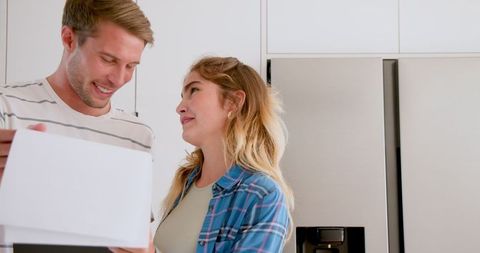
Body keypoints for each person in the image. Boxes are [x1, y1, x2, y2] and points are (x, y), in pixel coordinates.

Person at [0, 0, 154, 251]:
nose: (118, 79)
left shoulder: (137, 135)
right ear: (69, 39)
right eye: (108, 59)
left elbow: (136, 240)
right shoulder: (7, 107)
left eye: (131, 66)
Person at [111, 56, 294, 253]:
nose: (179, 107)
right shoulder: (187, 182)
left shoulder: (262, 194)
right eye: (182, 95)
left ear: (233, 102)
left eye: (194, 90)